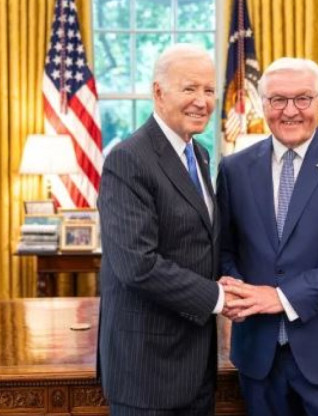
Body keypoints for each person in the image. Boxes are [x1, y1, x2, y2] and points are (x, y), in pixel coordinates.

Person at [216, 57, 318, 416]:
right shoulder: (233, 168)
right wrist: (237, 289)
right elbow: (226, 248)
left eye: (303, 99)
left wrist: (282, 297)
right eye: (278, 99)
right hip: (258, 356)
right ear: (264, 105)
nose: (290, 111)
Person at [97, 43, 228, 416]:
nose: (202, 101)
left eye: (208, 90)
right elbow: (137, 264)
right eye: (189, 89)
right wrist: (219, 298)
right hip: (147, 370)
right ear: (158, 92)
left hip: (195, 360)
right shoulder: (128, 158)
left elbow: (200, 243)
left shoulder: (198, 154)